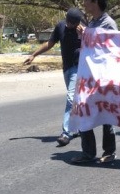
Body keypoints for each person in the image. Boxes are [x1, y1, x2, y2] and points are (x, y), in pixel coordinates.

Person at [23, 8, 86, 147]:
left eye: (74, 23)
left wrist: (83, 36)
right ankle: (82, 127)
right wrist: (34, 55)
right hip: (67, 68)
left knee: (71, 98)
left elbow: (92, 47)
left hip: (79, 68)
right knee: (76, 99)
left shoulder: (83, 31)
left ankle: (66, 133)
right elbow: (49, 44)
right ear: (66, 19)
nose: (70, 25)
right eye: (69, 22)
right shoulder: (60, 26)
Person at [72, 0, 119, 164]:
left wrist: (90, 35)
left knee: (106, 115)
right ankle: (88, 152)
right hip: (88, 78)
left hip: (104, 78)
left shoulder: (108, 23)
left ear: (96, 2)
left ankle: (110, 151)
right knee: (84, 110)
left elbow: (113, 50)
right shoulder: (91, 22)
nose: (84, 3)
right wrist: (85, 35)